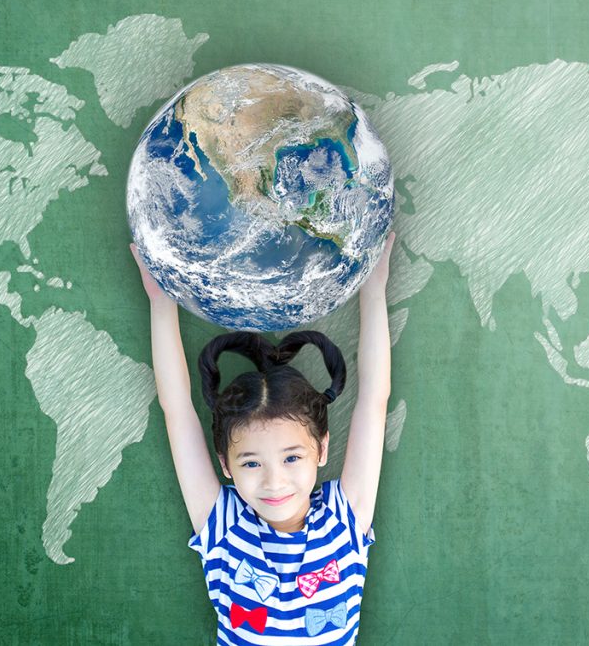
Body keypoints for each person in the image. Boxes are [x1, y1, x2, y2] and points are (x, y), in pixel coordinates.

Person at [130, 232, 395, 644]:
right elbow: (177, 410)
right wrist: (162, 304)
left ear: (321, 448)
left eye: (292, 458)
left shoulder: (345, 519)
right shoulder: (222, 525)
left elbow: (374, 403)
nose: (274, 482)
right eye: (251, 462)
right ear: (225, 465)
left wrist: (373, 290)